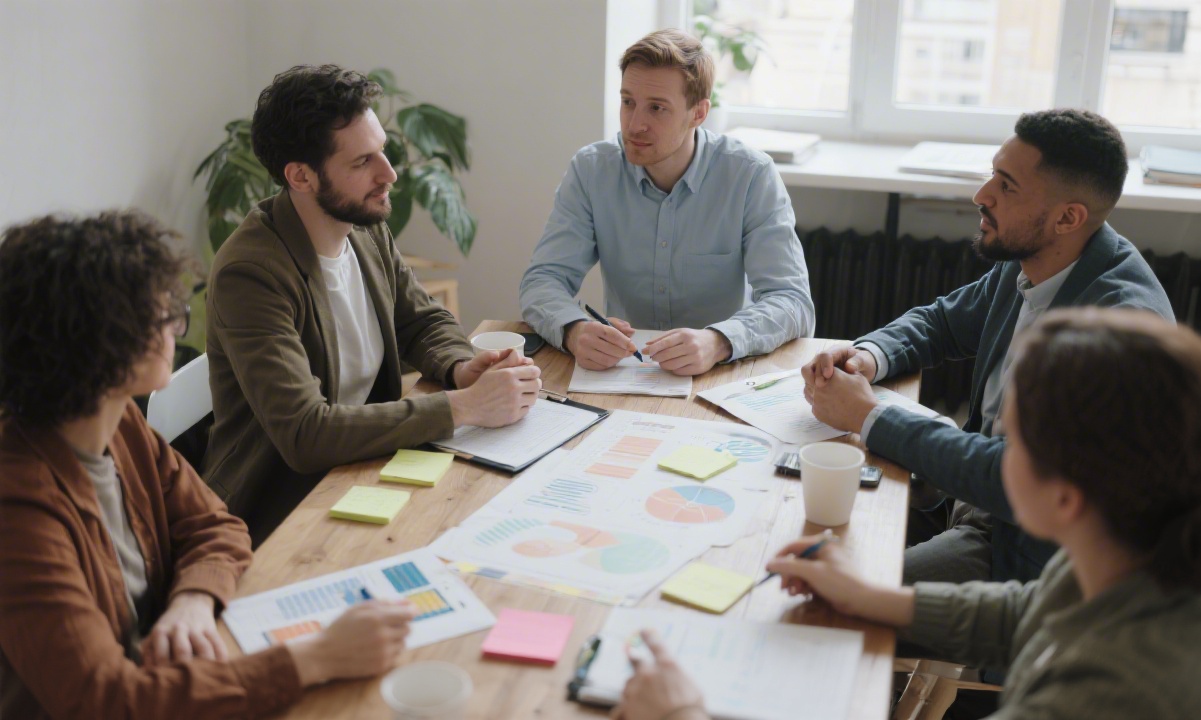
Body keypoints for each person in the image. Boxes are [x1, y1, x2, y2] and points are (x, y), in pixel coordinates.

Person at [614, 308, 1201, 720]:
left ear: (1065, 497)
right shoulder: (1159, 535)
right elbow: (1030, 614)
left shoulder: (1112, 689)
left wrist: (681, 714)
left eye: (1009, 439)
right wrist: (873, 595)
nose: (993, 449)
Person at [0, 211, 418, 719]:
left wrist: (193, 600)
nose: (176, 326)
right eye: (162, 314)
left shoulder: (118, 423)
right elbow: (106, 701)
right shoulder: (18, 510)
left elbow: (215, 524)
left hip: (179, 677)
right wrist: (316, 658)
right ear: (93, 342)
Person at [803, 109, 1174, 586]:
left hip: (1028, 551)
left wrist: (868, 416)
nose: (981, 195)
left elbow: (1019, 480)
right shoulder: (1035, 258)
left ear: (1067, 217)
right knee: (801, 520)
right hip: (968, 498)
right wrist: (868, 357)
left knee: (839, 593)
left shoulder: (1120, 333)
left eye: (1007, 185)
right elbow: (942, 322)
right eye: (992, 174)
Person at [205, 65, 541, 544]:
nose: (390, 174)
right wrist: (463, 406)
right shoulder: (252, 273)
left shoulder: (363, 228)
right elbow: (305, 433)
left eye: (382, 150)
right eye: (363, 162)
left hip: (363, 471)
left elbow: (421, 321)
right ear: (301, 176)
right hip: (283, 507)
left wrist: (461, 367)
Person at [519, 29, 814, 376]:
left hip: (721, 373)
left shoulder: (750, 175)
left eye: (657, 108)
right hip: (623, 373)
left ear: (698, 113)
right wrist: (574, 329)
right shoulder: (592, 170)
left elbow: (792, 301)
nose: (634, 125)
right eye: (628, 102)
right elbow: (543, 280)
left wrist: (719, 341)